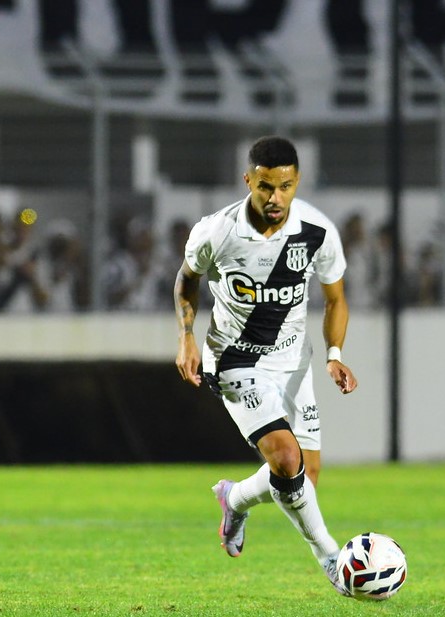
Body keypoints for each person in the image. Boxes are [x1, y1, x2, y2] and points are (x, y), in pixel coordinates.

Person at [174, 136, 357, 597]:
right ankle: (332, 559)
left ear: (297, 183)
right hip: (234, 360)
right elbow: (186, 280)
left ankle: (233, 498)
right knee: (287, 459)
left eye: (286, 187)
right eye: (265, 187)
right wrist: (186, 337)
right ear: (248, 181)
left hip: (294, 362)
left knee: (303, 480)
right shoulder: (218, 231)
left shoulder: (317, 231)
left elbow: (335, 300)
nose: (275, 198)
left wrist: (335, 355)